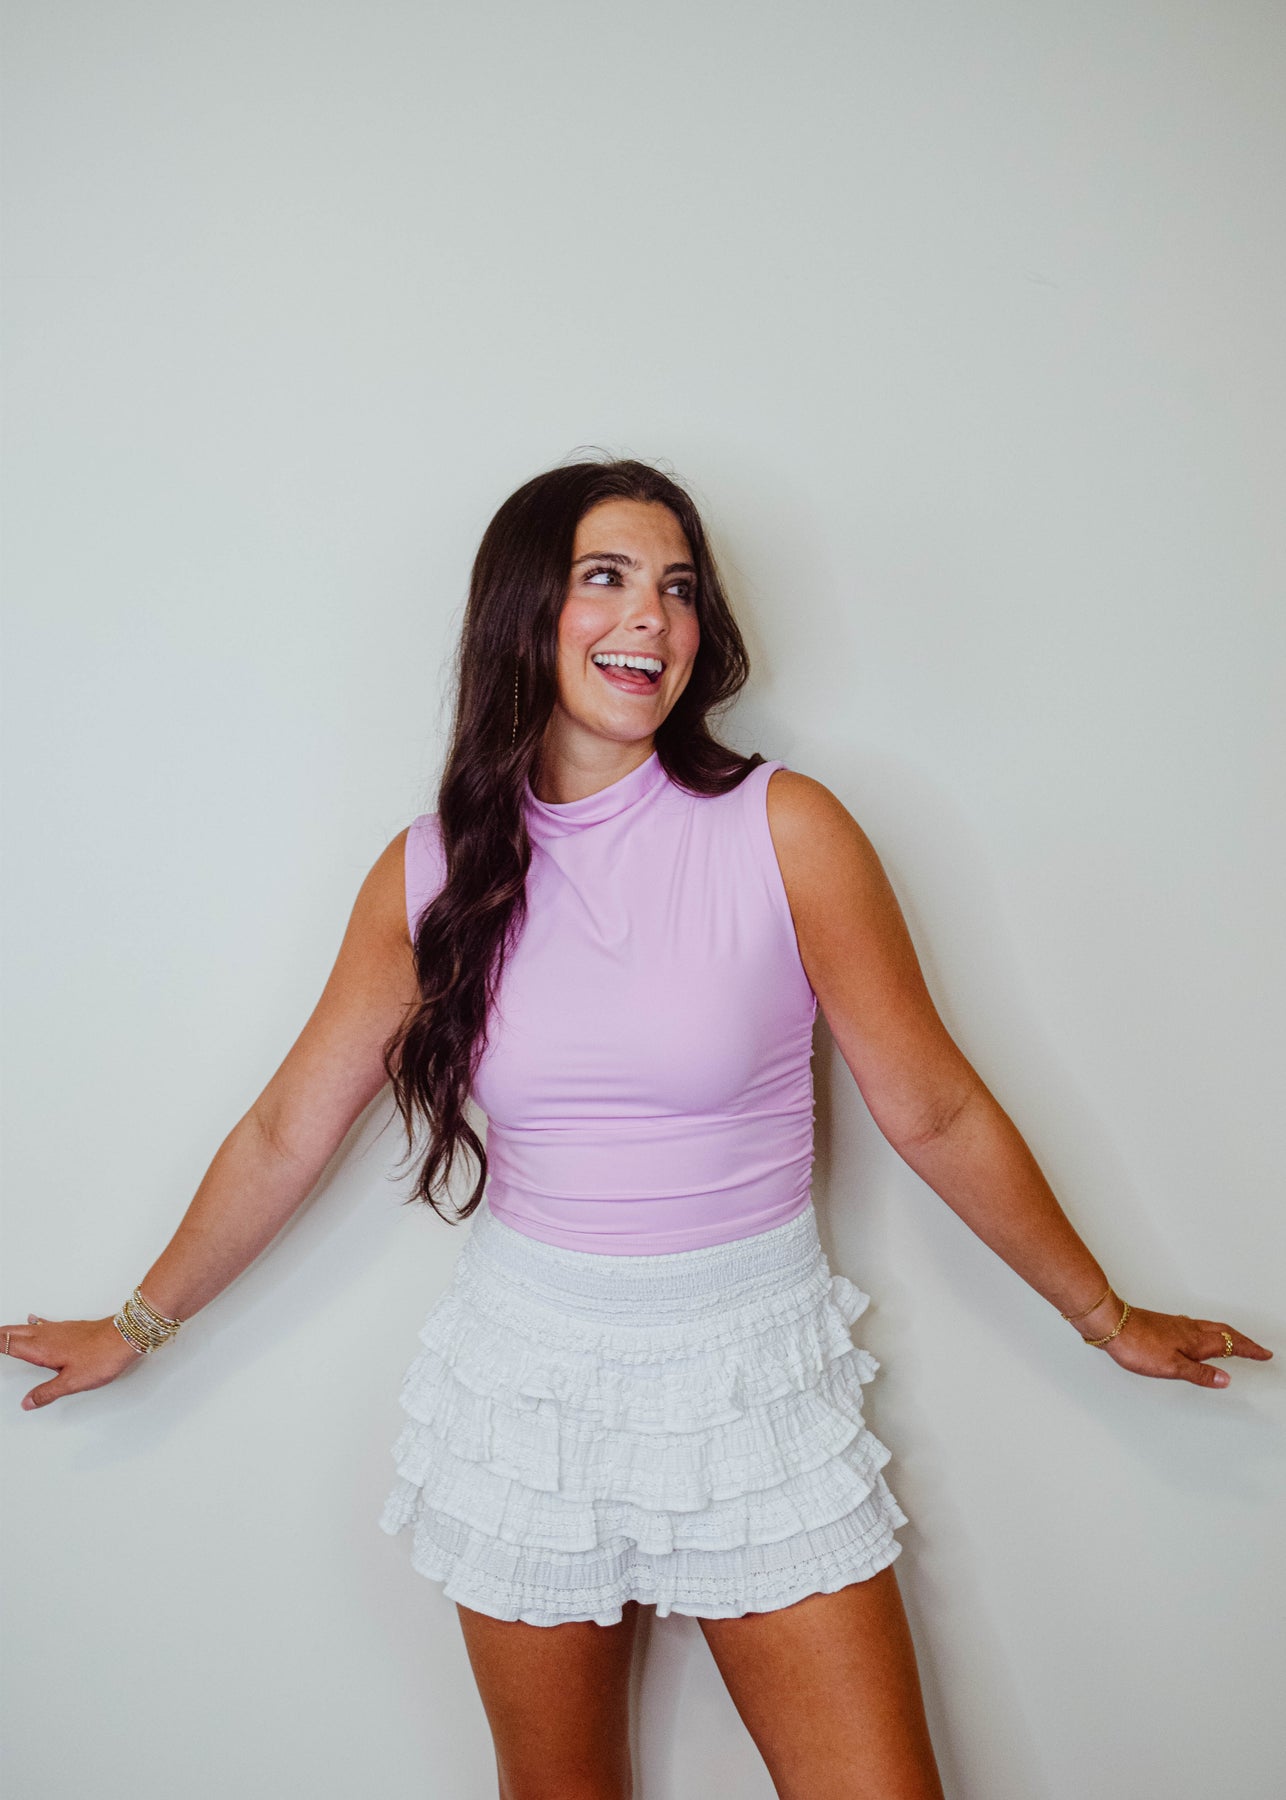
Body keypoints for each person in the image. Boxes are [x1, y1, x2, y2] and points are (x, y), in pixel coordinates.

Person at [4, 456, 1272, 1800]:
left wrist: (1102, 1315)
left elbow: (936, 1107)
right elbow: (284, 1132)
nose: (649, 619)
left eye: (676, 587)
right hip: (529, 1388)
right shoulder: (432, 870)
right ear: (523, 611)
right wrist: (134, 1326)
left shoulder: (786, 829)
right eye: (603, 578)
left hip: (748, 1381)